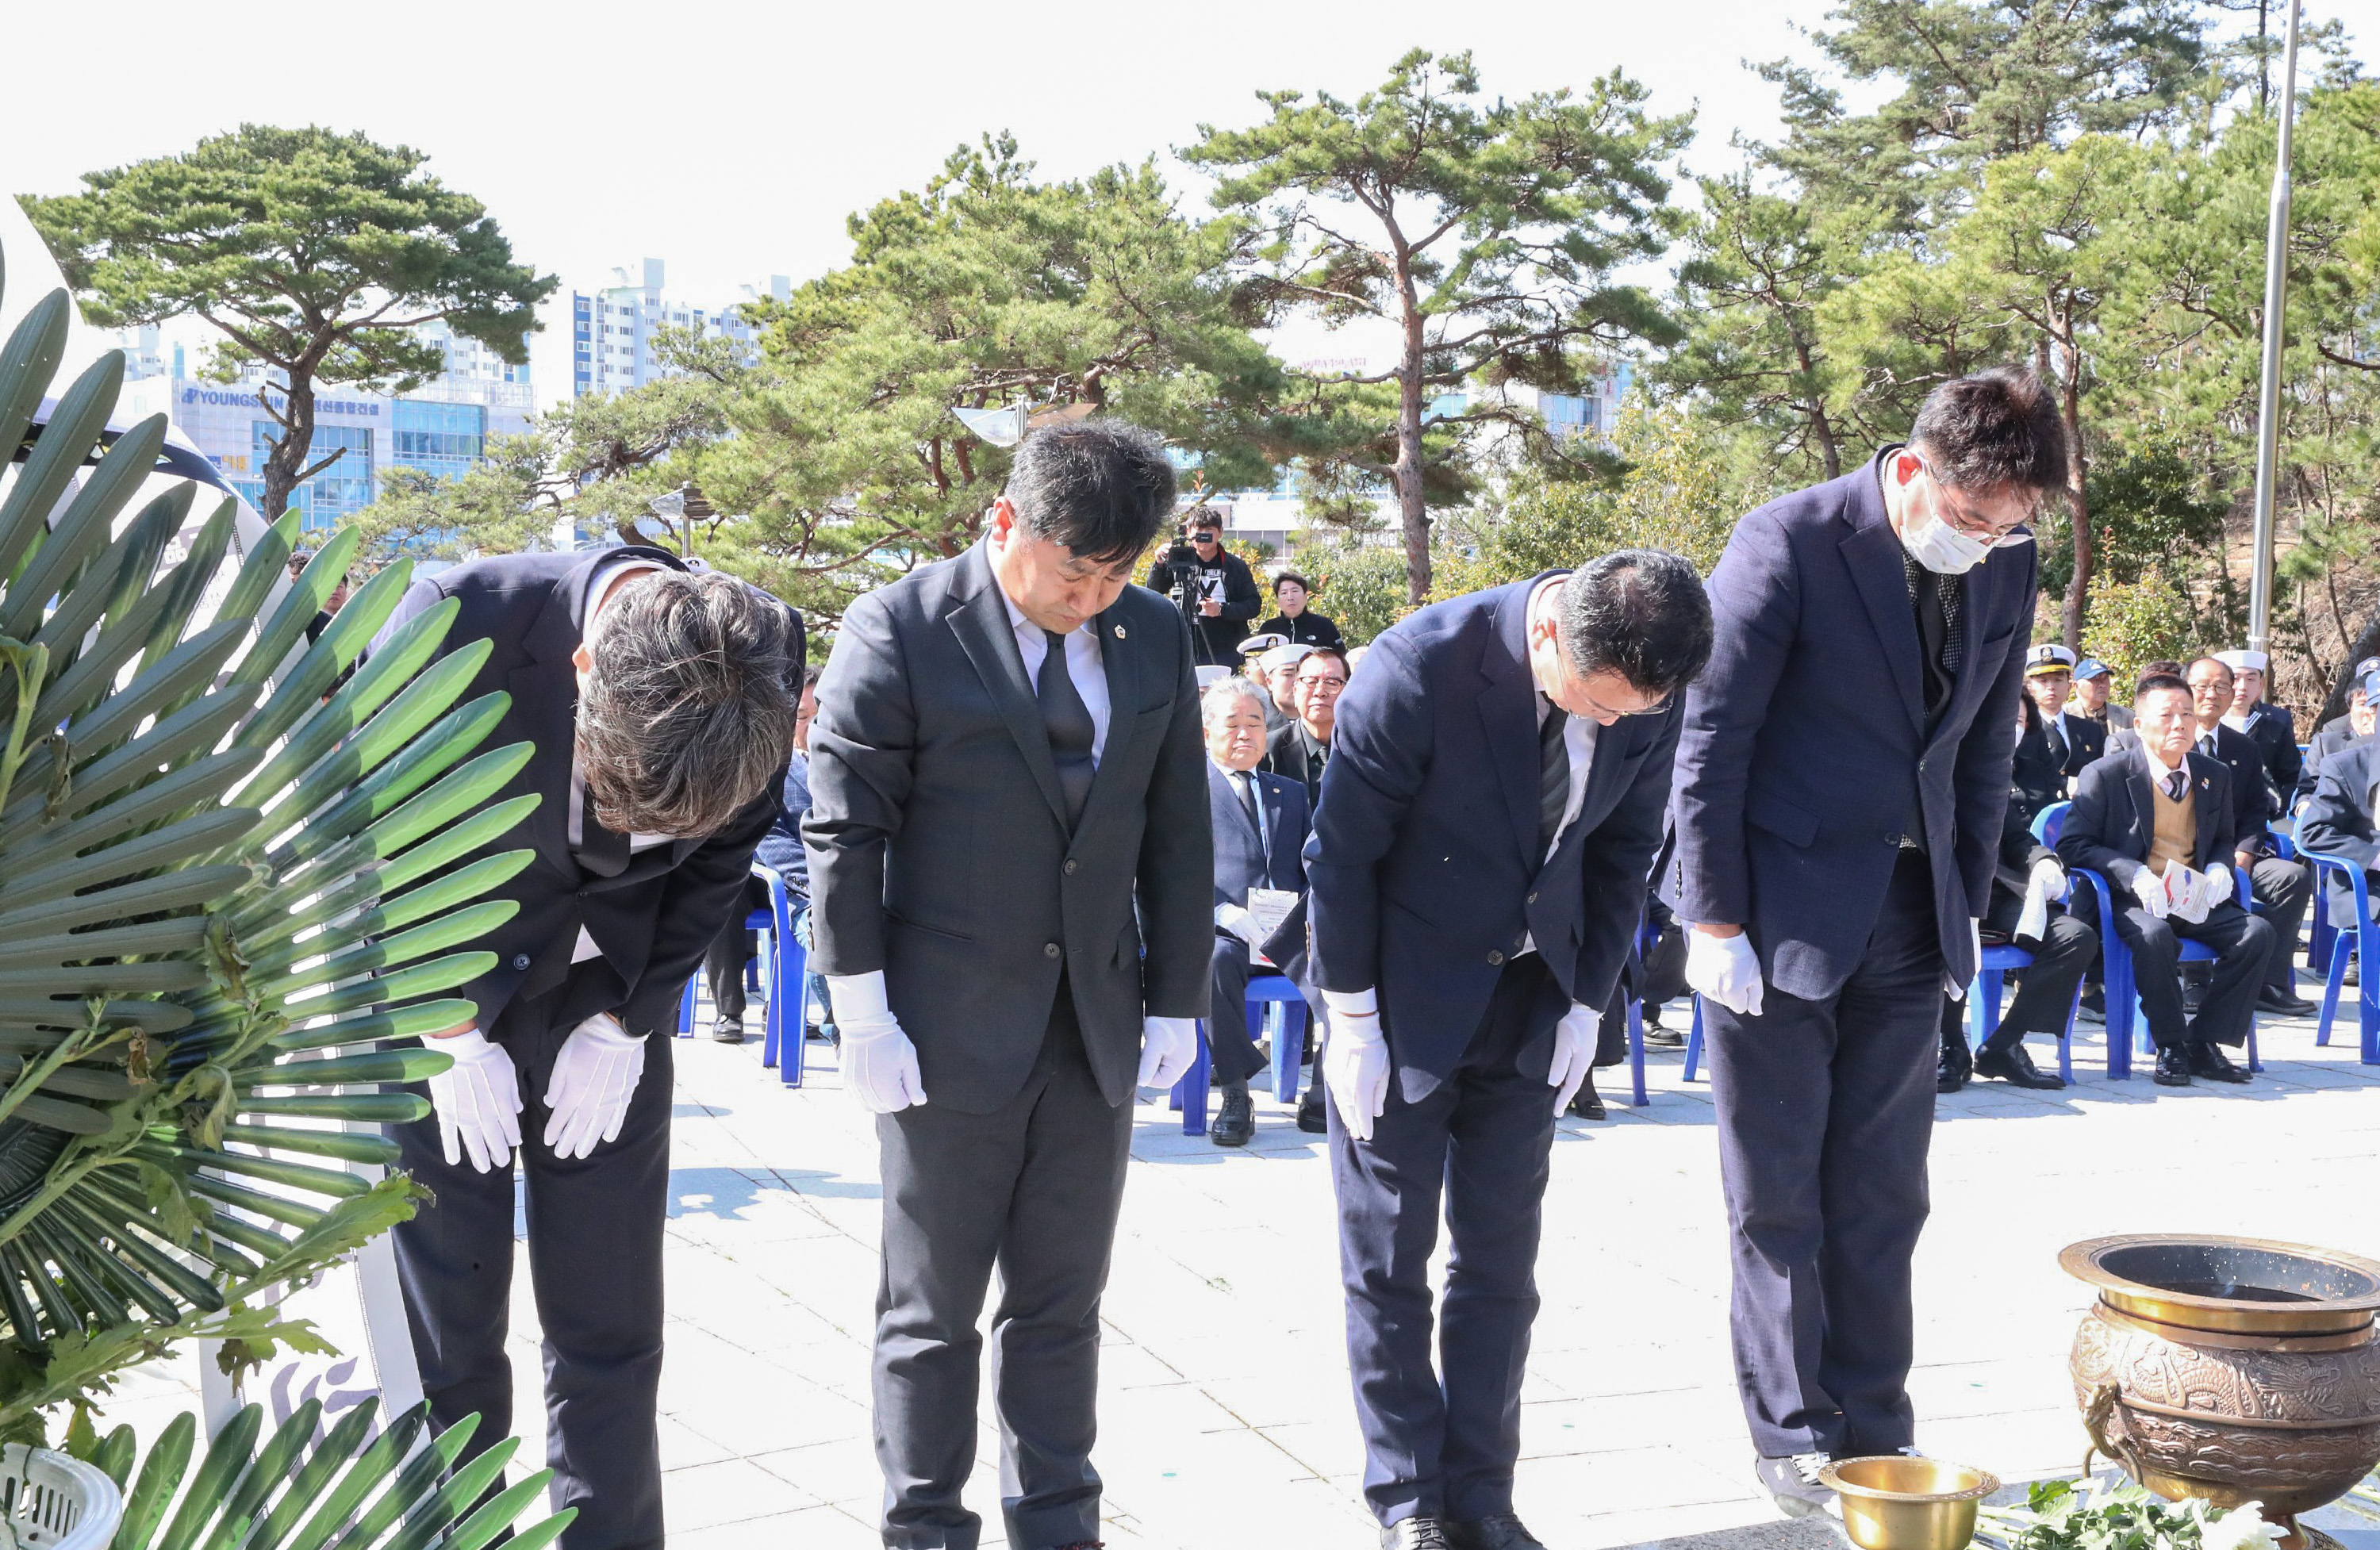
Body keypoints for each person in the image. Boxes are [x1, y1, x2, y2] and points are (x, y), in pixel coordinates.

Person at [803, 420, 1208, 1550]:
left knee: (1061, 1308)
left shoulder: (1154, 635)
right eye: (1076, 568)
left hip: (1094, 1024)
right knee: (932, 1316)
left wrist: (1178, 996)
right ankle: (925, 1526)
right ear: (1005, 525)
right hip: (940, 1026)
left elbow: (1175, 827)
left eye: (1119, 571)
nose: (1094, 594)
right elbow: (846, 828)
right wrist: (862, 1006)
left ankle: (1059, 1525)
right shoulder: (901, 625)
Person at [1664, 366, 2053, 1514]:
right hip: (1777, 912)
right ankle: (1790, 1430)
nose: (1987, 543)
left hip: (1912, 911)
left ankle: (1876, 1421)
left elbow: (1985, 742)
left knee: (1886, 1189)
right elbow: (1712, 737)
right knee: (1778, 1188)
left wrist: (1974, 904)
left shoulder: (2009, 561)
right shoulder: (1787, 541)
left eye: (2011, 526)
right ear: (1917, 469)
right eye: (1974, 519)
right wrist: (1711, 915)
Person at [372, 551, 802, 1550]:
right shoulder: (451, 617)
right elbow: (370, 833)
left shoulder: (766, 647)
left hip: (605, 1005)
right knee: (449, 1329)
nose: (630, 838)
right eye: (620, 806)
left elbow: (724, 861)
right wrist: (445, 1027)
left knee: (611, 1326)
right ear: (582, 669)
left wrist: (631, 1021)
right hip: (445, 997)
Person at [1309, 551, 1713, 1550]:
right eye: (1601, 703)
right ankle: (1408, 1499)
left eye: (1637, 711)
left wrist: (1587, 1000)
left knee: (1499, 1263)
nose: (1617, 723)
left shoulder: (1643, 685)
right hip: (1403, 998)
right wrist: (1350, 1014)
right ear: (1550, 638)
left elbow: (1622, 851)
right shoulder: (1419, 666)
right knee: (1390, 1258)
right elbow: (1343, 853)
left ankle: (1484, 1494)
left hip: (1533, 997)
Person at [2057, 674, 2272, 1087]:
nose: (2180, 724)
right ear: (2138, 725)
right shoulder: (2106, 774)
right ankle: (2171, 1044)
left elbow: (2224, 838)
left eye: (2187, 715)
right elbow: (2073, 844)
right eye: (2168, 715)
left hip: (2191, 896)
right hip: (2131, 897)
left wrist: (2220, 867)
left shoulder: (2213, 774)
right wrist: (2132, 872)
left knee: (2257, 933)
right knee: (2154, 936)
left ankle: (2205, 1041)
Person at [1939, 694, 2097, 1092]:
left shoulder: (2005, 775)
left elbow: (2015, 838)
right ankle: (1951, 1048)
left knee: (2075, 937)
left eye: (2019, 722)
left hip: (1998, 896)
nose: (2010, 729)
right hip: (1941, 895)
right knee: (1949, 934)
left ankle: (2005, 1045)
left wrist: (2045, 862)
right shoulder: (1945, 764)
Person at [1200, 676, 1313, 1148]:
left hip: (1286, 928)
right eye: (1233, 724)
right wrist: (1221, 912)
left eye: (1255, 722)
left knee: (1348, 953)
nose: (1246, 733)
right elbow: (1162, 869)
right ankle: (1235, 1090)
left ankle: (1324, 1094)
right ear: (1207, 733)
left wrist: (1311, 915)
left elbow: (1313, 862)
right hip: (1223, 929)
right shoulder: (1185, 791)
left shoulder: (1291, 791)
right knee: (1214, 962)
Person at [2184, 656, 2314, 1016]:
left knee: (2292, 878)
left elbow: (2256, 811)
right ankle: (2196, 978)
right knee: (2194, 877)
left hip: (2237, 854)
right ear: (2185, 691)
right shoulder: (2171, 741)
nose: (2212, 694)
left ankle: (2268, 982)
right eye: (2202, 687)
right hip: (2183, 856)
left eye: (2221, 687)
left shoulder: (2243, 747)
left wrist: (2245, 855)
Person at [701, 664, 822, 1044]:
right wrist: (809, 878)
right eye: (803, 718)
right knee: (721, 889)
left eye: (820, 717)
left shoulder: (842, 759)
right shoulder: (765, 761)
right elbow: (765, 834)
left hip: (822, 875)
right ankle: (729, 1009)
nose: (812, 727)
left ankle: (782, 1006)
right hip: (765, 869)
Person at [2296, 667, 2380, 935]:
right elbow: (2314, 832)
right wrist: (2375, 857)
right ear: (2373, 714)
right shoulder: (2346, 765)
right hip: (2372, 886)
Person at [1145, 505, 1261, 667]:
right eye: (1199, 530)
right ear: (1188, 532)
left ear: (1220, 532)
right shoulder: (1178, 561)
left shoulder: (1236, 566)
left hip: (1226, 646)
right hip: (1186, 643)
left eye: (1210, 529)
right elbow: (1154, 591)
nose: (1204, 535)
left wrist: (1222, 609)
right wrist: (1159, 564)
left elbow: (1253, 605)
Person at [1266, 645, 1347, 806]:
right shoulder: (1267, 750)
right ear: (1295, 690)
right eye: (1310, 682)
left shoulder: (1367, 749)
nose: (1320, 691)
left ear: (1347, 690)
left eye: (1332, 683)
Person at [2219, 648, 2302, 805]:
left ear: (2260, 684)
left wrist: (2280, 808)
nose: (2242, 687)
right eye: (2235, 679)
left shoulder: (2276, 722)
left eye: (2251, 679)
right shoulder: (2206, 722)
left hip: (2265, 809)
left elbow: (2291, 774)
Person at [2297, 654, 2379, 803]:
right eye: (2364, 704)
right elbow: (2309, 793)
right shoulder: (2327, 744)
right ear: (2350, 708)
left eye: (2376, 705)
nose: (2371, 712)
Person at [2022, 643, 2105, 782]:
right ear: (2030, 687)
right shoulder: (2023, 730)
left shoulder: (2091, 730)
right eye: (2043, 681)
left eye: (2058, 680)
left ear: (2069, 685)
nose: (2051, 687)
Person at [1257, 570, 1345, 650]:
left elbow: (1341, 657)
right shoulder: (1268, 629)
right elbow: (1257, 659)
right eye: (1284, 593)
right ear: (1278, 600)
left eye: (1295, 591)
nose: (1290, 597)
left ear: (1305, 596)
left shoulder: (1324, 626)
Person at [1238, 633, 1291, 733]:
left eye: (1275, 664)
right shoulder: (1240, 705)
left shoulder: (1295, 702)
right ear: (1247, 672)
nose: (1270, 670)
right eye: (1264, 664)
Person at [1257, 639, 1312, 730]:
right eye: (1288, 675)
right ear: (1269, 682)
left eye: (1303, 676)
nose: (1296, 682)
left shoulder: (1327, 721)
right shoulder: (1258, 723)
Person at [2073, 658, 2129, 730]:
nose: (2102, 685)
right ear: (2076, 686)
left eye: (2105, 678)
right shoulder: (2064, 716)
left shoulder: (2126, 717)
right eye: (2094, 679)